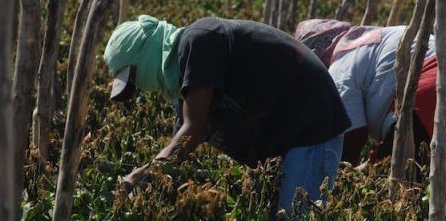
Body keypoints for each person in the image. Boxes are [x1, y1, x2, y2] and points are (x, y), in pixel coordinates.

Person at [103, 15, 351, 212]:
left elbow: (193, 130)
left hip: (311, 129)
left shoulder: (199, 40)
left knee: (296, 215)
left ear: (146, 52)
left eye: (134, 76)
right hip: (282, 145)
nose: (141, 88)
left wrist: (142, 174)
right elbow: (179, 152)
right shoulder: (185, 92)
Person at [294, 19, 446, 180]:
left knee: (386, 180)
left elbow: (351, 135)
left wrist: (341, 175)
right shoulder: (374, 37)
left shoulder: (340, 64)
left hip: (429, 93)